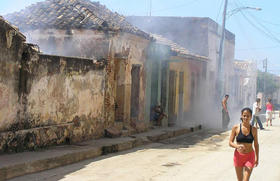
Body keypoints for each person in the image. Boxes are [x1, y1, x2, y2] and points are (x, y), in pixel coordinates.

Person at [229, 107, 259, 181]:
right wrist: (237, 146)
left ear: (251, 117)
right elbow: (230, 142)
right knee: (240, 180)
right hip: (238, 156)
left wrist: (257, 157)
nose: (246, 117)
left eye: (248, 116)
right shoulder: (236, 128)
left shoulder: (254, 130)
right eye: (244, 115)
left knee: (245, 180)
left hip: (250, 156)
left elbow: (256, 144)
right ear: (241, 116)